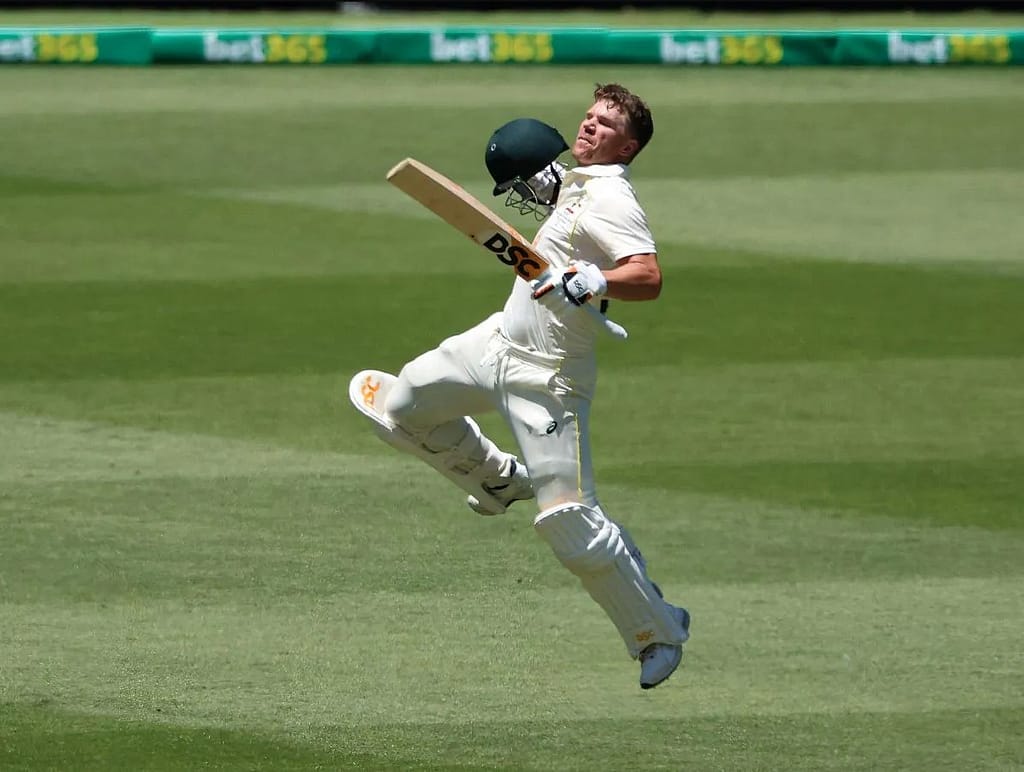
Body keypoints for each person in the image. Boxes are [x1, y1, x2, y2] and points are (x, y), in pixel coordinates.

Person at [350, 84, 689, 689]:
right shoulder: (577, 182)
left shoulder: (613, 198)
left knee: (569, 521)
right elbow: (551, 194)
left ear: (628, 146)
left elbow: (648, 277)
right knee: (400, 407)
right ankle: (500, 478)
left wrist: (593, 280)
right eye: (587, 118)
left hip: (549, 379)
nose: (589, 128)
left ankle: (658, 630)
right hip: (496, 343)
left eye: (605, 125)